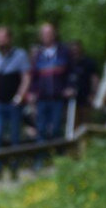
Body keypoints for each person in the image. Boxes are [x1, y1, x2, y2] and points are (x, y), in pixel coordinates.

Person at [0, 27, 31, 178]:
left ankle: (14, 168)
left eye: (2, 37)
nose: (0, 41)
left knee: (14, 137)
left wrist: (19, 97)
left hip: (14, 104)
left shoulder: (20, 55)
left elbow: (26, 77)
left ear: (9, 38)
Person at [30, 22, 75, 167]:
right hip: (42, 98)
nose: (46, 36)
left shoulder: (64, 52)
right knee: (41, 130)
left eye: (49, 33)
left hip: (58, 98)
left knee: (56, 129)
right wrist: (32, 92)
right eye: (44, 33)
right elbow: (34, 76)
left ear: (54, 34)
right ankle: (40, 161)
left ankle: (59, 160)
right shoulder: (38, 55)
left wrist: (70, 87)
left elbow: (72, 73)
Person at [68, 40, 100, 133]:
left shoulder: (88, 62)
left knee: (86, 122)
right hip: (71, 101)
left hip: (86, 97)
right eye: (72, 49)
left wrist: (93, 94)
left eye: (76, 49)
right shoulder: (68, 64)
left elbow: (95, 79)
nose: (75, 51)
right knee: (72, 123)